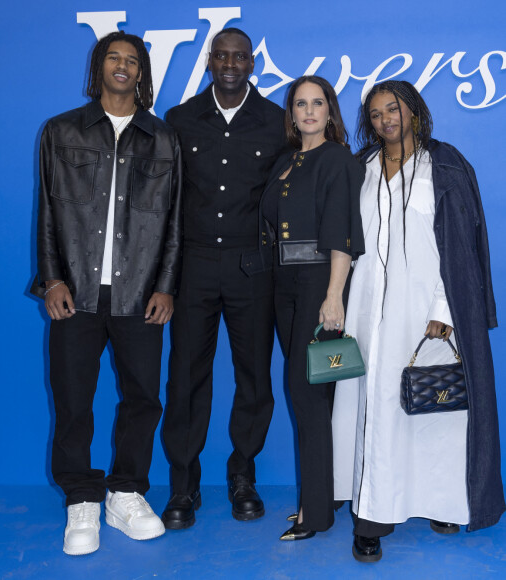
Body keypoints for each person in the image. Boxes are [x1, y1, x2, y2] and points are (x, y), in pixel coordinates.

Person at [332, 80, 505, 562]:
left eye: (394, 109)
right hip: (368, 310)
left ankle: (442, 500)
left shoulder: (444, 165)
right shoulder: (361, 168)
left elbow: (463, 247)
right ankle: (372, 516)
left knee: (437, 410)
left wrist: (445, 309)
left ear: (415, 112)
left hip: (427, 310)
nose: (386, 119)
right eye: (376, 114)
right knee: (377, 410)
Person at [32, 31, 183, 555]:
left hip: (139, 294)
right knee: (73, 399)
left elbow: (174, 223)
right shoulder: (62, 130)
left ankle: (125, 493)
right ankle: (80, 498)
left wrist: (166, 287)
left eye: (132, 61)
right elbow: (49, 209)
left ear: (142, 73)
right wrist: (51, 279)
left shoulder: (162, 138)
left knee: (143, 397)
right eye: (113, 58)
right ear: (98, 67)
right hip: (74, 292)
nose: (123, 67)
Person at [160, 27, 286, 529]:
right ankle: (183, 483)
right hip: (192, 268)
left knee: (254, 376)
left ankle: (242, 474)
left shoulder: (278, 122)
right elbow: (165, 203)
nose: (231, 63)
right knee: (187, 377)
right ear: (210, 62)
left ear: (252, 63)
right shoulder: (181, 120)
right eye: (222, 56)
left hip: (252, 268)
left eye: (240, 56)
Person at [243, 76, 364, 540]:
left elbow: (342, 233)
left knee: (308, 395)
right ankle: (323, 499)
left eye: (318, 103)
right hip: (282, 285)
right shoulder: (286, 161)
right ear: (290, 113)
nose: (309, 111)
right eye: (300, 104)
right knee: (312, 396)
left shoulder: (337, 160)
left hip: (319, 285)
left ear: (330, 111)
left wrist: (334, 296)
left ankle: (315, 514)